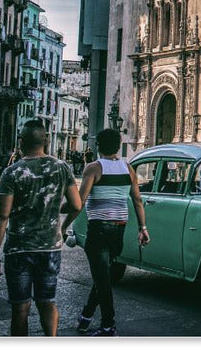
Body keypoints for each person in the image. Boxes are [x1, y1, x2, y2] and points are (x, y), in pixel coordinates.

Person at [0, 120, 81, 336]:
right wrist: (54, 207)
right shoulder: (61, 168)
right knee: (47, 302)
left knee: (20, 308)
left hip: (19, 249)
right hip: (49, 248)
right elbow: (76, 205)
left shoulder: (12, 172)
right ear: (46, 141)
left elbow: (2, 216)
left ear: (20, 142)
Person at [62, 128, 150, 337]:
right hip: (119, 230)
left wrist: (62, 223)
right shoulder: (128, 169)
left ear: (98, 146)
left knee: (103, 281)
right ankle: (85, 317)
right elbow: (137, 200)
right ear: (118, 145)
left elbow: (79, 203)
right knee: (102, 277)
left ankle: (109, 327)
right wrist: (142, 228)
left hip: (99, 231)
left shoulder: (93, 168)